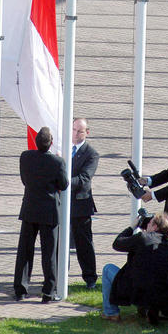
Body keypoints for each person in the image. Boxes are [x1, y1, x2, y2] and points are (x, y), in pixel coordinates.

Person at [13, 126, 69, 303]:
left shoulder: (26, 157)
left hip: (30, 208)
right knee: (49, 252)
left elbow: (24, 179)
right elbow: (64, 184)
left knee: (24, 251)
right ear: (51, 143)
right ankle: (48, 291)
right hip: (49, 212)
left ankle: (20, 289)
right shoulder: (57, 162)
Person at [101, 212, 168, 324]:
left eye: (149, 223)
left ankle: (111, 313)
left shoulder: (142, 238)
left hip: (136, 290)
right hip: (161, 293)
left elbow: (117, 244)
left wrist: (132, 227)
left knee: (107, 269)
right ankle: (145, 311)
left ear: (155, 227)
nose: (147, 225)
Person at [70, 117, 99, 290]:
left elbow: (84, 178)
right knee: (59, 242)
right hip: (62, 203)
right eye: (74, 130)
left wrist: (63, 181)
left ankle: (90, 278)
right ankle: (57, 276)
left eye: (80, 131)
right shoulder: (64, 148)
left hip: (81, 204)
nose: (75, 134)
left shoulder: (91, 153)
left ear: (87, 132)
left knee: (84, 243)